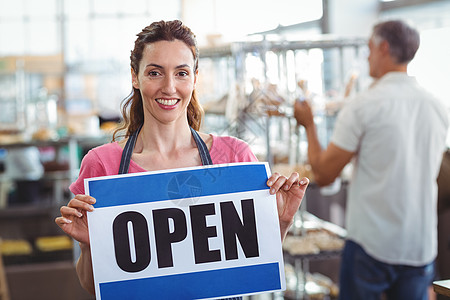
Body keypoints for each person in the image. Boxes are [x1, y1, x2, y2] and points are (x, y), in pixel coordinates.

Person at [55, 20, 309, 297]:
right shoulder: (103, 165)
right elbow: (94, 287)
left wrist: (279, 223)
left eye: (181, 73)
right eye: (154, 73)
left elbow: (248, 270)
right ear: (135, 77)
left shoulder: (236, 156)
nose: (169, 87)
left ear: (194, 78)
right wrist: (92, 246)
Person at [294, 19, 448, 300]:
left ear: (384, 48)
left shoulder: (364, 106)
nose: (366, 57)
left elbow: (325, 174)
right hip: (419, 244)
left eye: (369, 49)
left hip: (371, 244)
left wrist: (309, 125)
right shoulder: (437, 106)